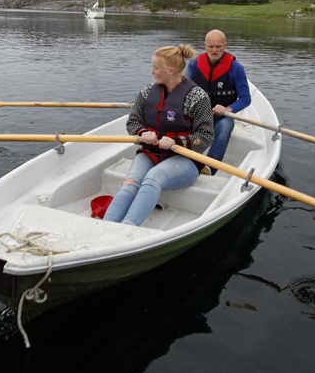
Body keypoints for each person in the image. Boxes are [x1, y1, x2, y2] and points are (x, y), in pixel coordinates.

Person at [103, 44, 215, 227]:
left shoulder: (197, 97)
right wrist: (143, 132)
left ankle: (127, 229)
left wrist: (177, 141)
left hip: (184, 159)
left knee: (153, 177)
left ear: (170, 70)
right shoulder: (148, 92)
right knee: (131, 181)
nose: (152, 71)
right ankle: (105, 227)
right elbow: (133, 122)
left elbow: (206, 135)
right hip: (151, 154)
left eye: (156, 67)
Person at [183, 29, 251, 171]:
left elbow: (245, 98)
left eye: (218, 46)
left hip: (222, 117)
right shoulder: (194, 64)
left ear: (225, 46)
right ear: (205, 46)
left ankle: (210, 167)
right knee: (178, 123)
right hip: (198, 114)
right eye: (210, 46)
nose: (214, 50)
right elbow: (183, 91)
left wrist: (227, 109)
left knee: (224, 129)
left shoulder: (236, 68)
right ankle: (185, 161)